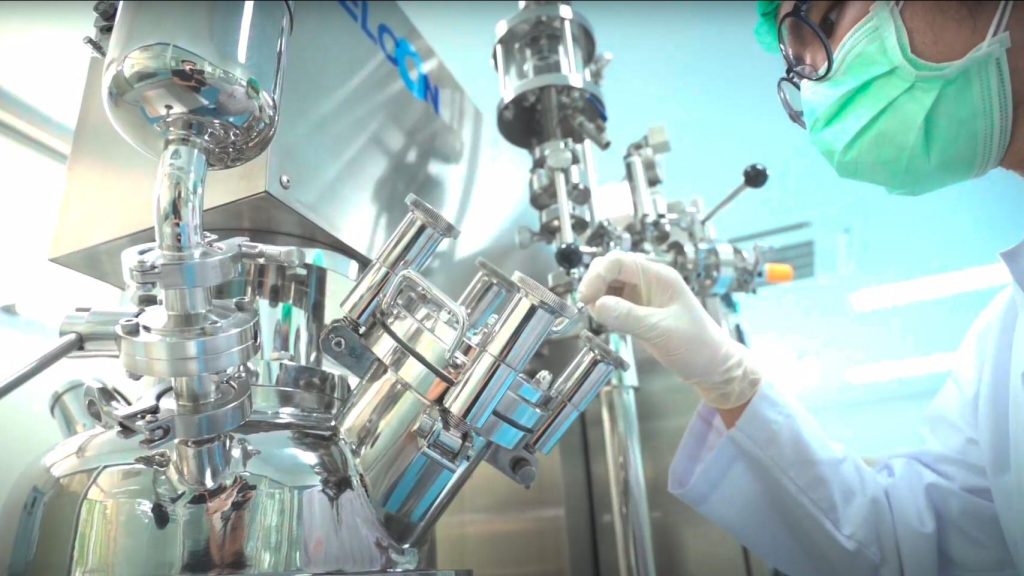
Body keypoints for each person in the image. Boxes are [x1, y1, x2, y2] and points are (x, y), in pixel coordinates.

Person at [577, 1, 1024, 574]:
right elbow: (901, 550)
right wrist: (732, 384)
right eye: (801, 71)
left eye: (827, 18)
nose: (822, 93)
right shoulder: (1001, 349)